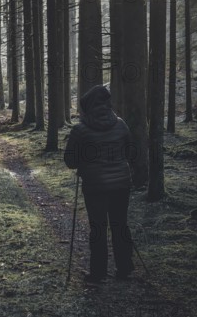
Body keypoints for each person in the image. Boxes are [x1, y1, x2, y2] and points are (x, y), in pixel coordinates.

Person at [64, 85, 135, 283]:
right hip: (122, 184)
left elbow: (70, 161)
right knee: (120, 225)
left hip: (95, 186)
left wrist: (85, 163)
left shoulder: (80, 130)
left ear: (87, 107)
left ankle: (98, 273)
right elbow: (130, 152)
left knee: (98, 228)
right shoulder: (121, 124)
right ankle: (125, 268)